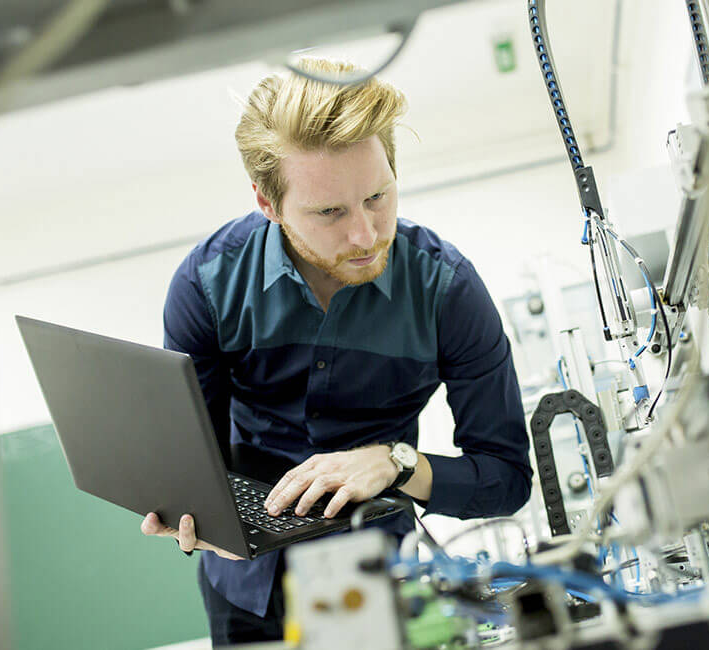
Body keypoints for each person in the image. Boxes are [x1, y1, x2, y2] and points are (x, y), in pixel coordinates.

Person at [138, 58, 533, 646]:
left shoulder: (447, 292)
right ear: (268, 203)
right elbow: (197, 455)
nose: (365, 235)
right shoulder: (208, 284)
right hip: (243, 587)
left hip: (381, 583)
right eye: (329, 212)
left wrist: (398, 463)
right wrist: (185, 506)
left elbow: (506, 479)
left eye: (378, 196)